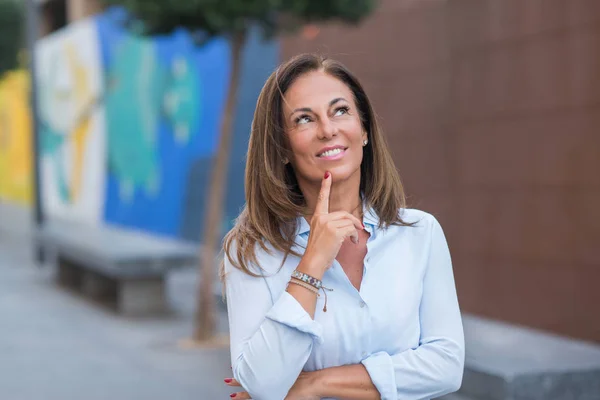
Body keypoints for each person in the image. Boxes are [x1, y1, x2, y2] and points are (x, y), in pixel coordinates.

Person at [221, 53, 464, 400]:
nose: (328, 130)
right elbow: (263, 385)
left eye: (340, 111)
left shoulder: (419, 233)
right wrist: (312, 263)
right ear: (283, 148)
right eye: (304, 119)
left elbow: (446, 365)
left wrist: (315, 383)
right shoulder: (250, 250)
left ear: (364, 130)